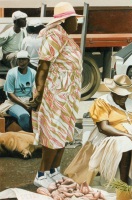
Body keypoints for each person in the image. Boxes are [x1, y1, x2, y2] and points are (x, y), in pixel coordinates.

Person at [30, 2, 83, 188]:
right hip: (56, 93)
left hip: (66, 94)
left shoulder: (65, 36)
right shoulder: (55, 35)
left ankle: (54, 170)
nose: (77, 23)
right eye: (75, 19)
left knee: (62, 132)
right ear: (65, 20)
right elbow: (43, 66)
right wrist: (39, 93)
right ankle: (41, 174)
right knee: (52, 132)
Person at [3, 50, 36, 132]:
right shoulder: (12, 73)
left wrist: (33, 102)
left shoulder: (33, 73)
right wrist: (24, 106)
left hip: (29, 100)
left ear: (28, 60)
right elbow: (10, 94)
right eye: (19, 59)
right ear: (16, 61)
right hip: (14, 102)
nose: (21, 62)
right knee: (23, 116)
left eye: (24, 59)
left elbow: (35, 91)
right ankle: (29, 136)